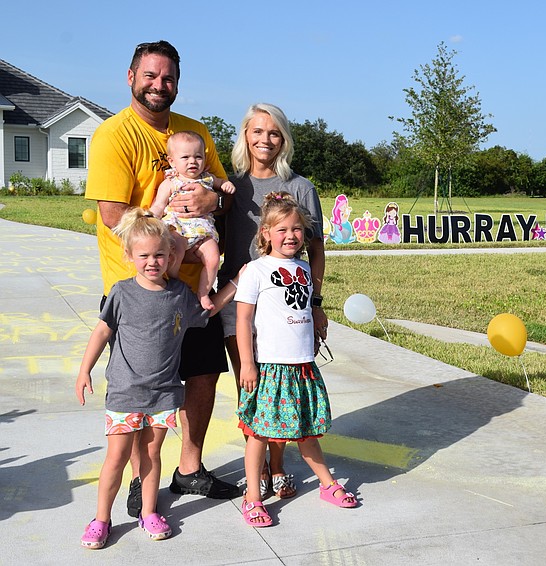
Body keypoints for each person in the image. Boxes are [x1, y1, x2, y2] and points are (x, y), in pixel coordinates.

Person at [85, 40, 241, 519]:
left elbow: (223, 193)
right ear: (130, 77)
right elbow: (114, 215)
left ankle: (188, 468)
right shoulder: (113, 135)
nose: (159, 85)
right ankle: (141, 476)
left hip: (197, 289)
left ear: (178, 82)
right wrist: (164, 237)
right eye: (150, 76)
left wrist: (211, 203)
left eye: (168, 77)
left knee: (202, 373)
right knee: (144, 388)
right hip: (141, 288)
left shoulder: (196, 132)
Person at [76, 209, 238, 548]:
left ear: (171, 256)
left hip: (164, 393)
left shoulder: (179, 293)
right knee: (117, 458)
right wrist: (84, 369)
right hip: (124, 392)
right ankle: (101, 519)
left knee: (152, 455)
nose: (153, 261)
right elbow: (103, 331)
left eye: (160, 254)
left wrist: (236, 283)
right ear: (130, 256)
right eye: (144, 255)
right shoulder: (121, 293)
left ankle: (149, 512)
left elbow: (205, 314)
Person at [217, 103, 327, 500]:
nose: (265, 139)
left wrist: (315, 303)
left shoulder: (300, 187)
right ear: (245, 136)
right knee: (254, 384)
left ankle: (277, 467)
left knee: (285, 388)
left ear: (284, 140)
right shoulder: (229, 188)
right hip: (240, 303)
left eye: (274, 133)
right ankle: (257, 468)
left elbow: (315, 250)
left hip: (288, 304)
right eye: (257, 131)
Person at [234, 192, 356, 526]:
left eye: (297, 229)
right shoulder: (256, 271)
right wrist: (247, 363)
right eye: (282, 229)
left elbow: (305, 306)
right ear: (265, 234)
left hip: (302, 366)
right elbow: (243, 320)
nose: (291, 235)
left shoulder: (303, 268)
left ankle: (327, 485)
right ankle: (253, 498)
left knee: (306, 432)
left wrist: (317, 314)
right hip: (270, 367)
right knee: (259, 433)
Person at [150, 130, 236, 310]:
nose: (192, 161)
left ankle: (203, 293)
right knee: (177, 250)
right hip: (179, 228)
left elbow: (221, 186)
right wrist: (150, 217)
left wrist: (225, 185)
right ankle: (174, 283)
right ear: (172, 161)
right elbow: (158, 205)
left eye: (198, 157)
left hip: (203, 231)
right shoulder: (171, 182)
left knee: (213, 258)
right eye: (186, 157)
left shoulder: (207, 178)